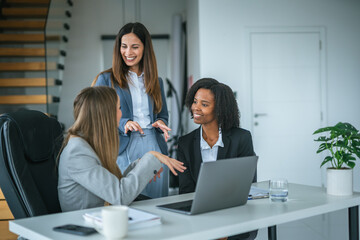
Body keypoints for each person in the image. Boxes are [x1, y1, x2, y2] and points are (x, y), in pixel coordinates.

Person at [57, 86, 185, 212]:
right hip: (84, 224)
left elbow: (112, 185)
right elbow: (120, 196)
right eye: (119, 108)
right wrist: (151, 156)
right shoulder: (77, 153)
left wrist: (140, 165)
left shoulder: (87, 144)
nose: (121, 113)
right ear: (105, 114)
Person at [92, 22, 170, 199]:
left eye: (135, 47)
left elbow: (163, 114)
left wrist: (161, 122)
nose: (128, 53)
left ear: (145, 49)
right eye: (124, 46)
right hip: (123, 144)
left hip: (153, 141)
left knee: (156, 199)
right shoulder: (106, 79)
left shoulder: (157, 81)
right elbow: (96, 116)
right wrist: (123, 122)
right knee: (127, 198)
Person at [177, 78, 257, 240]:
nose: (196, 108)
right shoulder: (185, 143)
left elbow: (248, 185)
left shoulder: (241, 138)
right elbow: (186, 192)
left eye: (204, 104)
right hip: (199, 215)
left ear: (220, 109)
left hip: (234, 213)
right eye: (195, 102)